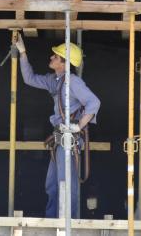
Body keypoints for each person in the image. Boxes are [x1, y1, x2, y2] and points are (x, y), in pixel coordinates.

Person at [15, 33, 100, 219]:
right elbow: (29, 79)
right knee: (53, 184)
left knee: (66, 184)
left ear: (63, 62)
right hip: (59, 139)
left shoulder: (74, 82)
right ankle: (53, 223)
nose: (51, 57)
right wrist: (22, 52)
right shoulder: (55, 81)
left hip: (69, 140)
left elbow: (94, 103)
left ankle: (67, 224)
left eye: (55, 56)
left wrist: (79, 126)